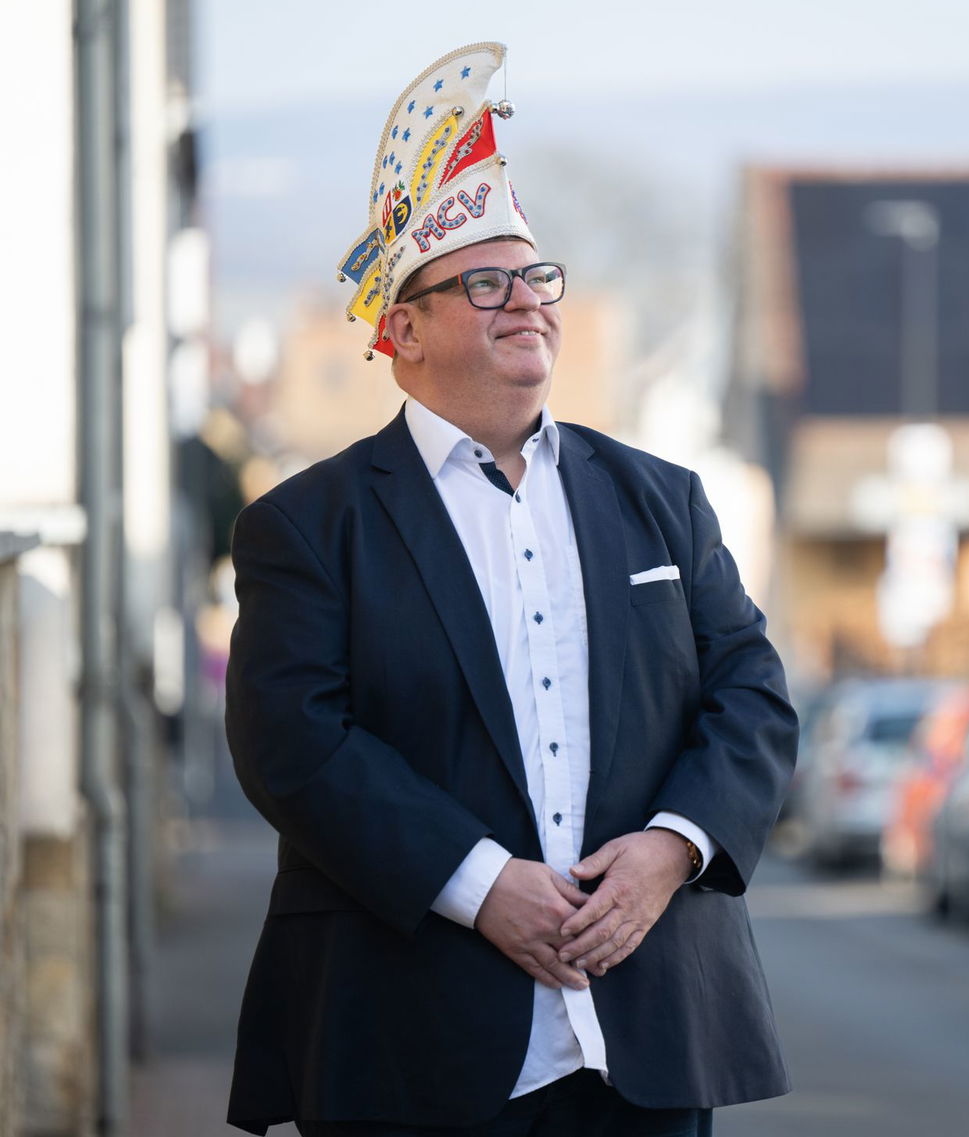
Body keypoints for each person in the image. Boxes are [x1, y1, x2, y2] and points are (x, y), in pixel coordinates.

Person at [223, 43, 796, 1137]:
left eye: (534, 277)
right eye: (482, 284)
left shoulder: (663, 499)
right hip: (410, 1036)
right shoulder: (307, 525)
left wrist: (672, 850)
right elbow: (293, 744)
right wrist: (482, 884)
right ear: (400, 334)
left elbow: (751, 696)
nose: (523, 302)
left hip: (649, 1036)